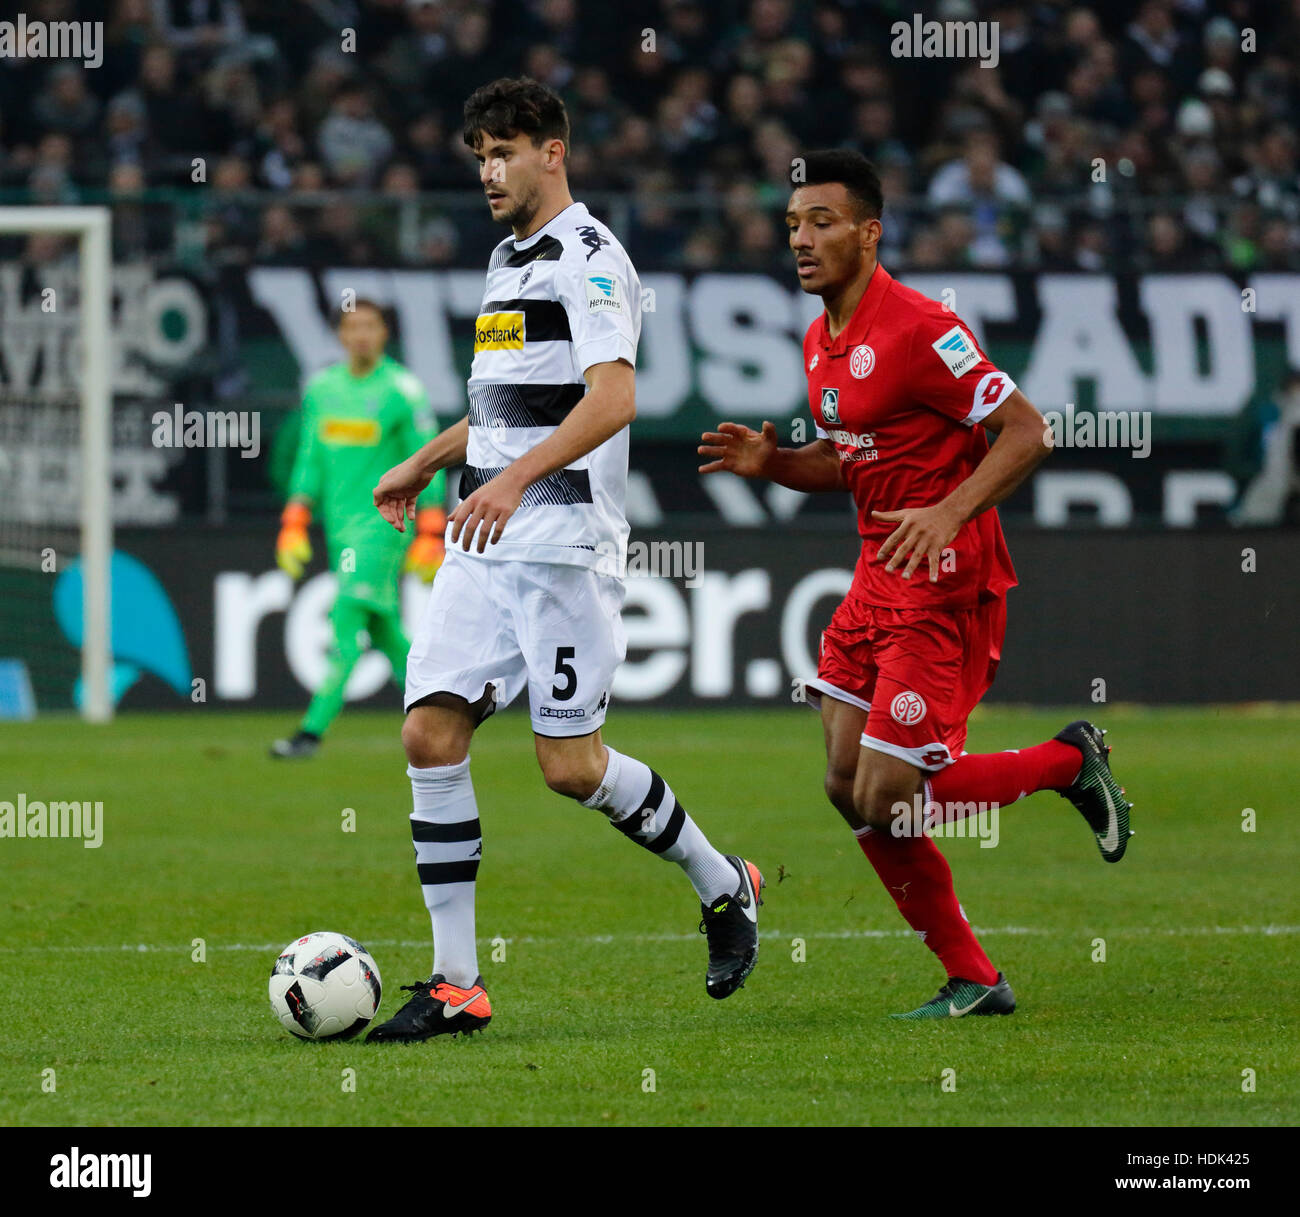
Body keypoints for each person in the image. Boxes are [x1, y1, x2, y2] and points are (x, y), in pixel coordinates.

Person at [366, 77, 763, 1043]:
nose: (489, 172)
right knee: (428, 734)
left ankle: (724, 881)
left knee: (569, 766)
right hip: (482, 539)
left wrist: (512, 483)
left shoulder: (591, 260)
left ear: (554, 151)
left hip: (561, 547)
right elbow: (508, 406)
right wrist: (429, 459)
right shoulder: (508, 260)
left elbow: (612, 399)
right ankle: (457, 983)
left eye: (505, 151)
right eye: (479, 155)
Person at [699, 149, 1133, 1020]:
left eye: (822, 222)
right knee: (842, 783)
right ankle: (976, 979)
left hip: (943, 586)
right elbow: (850, 461)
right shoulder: (821, 337)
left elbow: (1028, 431)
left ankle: (1064, 762)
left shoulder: (923, 328)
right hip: (875, 580)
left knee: (888, 794)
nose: (802, 239)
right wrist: (774, 462)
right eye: (791, 224)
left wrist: (952, 510)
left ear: (870, 231)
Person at [271, 299, 445, 759]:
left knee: (345, 620)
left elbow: (431, 458)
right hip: (341, 528)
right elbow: (310, 458)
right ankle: (445, 709)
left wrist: (431, 528)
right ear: (340, 336)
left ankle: (310, 733)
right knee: (385, 629)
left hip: (385, 524)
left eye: (371, 325)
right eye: (353, 327)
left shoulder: (403, 390)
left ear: (385, 332)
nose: (362, 335)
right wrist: (294, 520)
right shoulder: (322, 389)